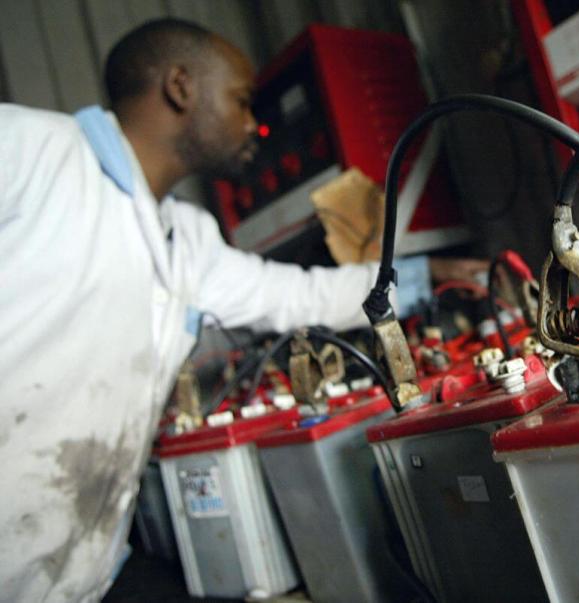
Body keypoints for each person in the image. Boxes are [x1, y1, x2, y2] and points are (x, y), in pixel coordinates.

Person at [0, 18, 486, 602]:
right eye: (240, 100)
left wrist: (416, 276)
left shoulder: (188, 238)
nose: (253, 123)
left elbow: (296, 295)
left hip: (82, 573)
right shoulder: (28, 149)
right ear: (181, 87)